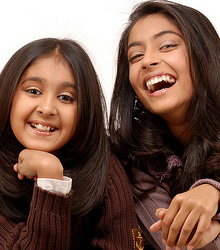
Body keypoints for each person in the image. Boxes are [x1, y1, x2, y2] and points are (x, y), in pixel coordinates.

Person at [0, 38, 142, 249]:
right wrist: (51, 182)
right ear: (8, 93)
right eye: (33, 91)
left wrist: (51, 177)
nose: (47, 108)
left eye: (66, 97)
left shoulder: (104, 166)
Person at [109, 0, 220, 249]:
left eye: (167, 45)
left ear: (204, 54)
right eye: (136, 56)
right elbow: (174, 242)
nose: (147, 61)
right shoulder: (129, 157)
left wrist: (213, 193)